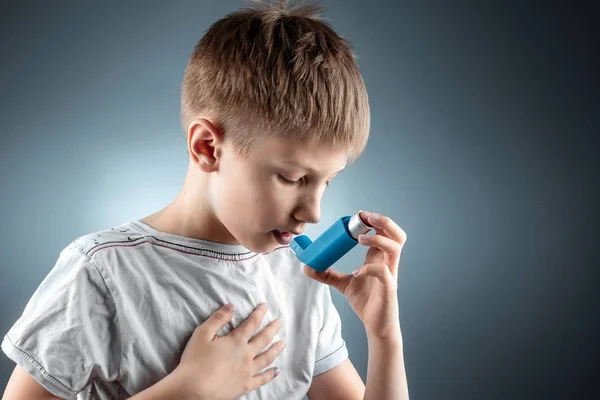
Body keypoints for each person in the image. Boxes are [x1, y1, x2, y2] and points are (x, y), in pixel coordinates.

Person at [2, 1, 409, 399]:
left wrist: (385, 337)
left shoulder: (299, 278)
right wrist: (186, 392)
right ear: (208, 147)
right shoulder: (100, 275)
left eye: (327, 182)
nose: (313, 213)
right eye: (292, 177)